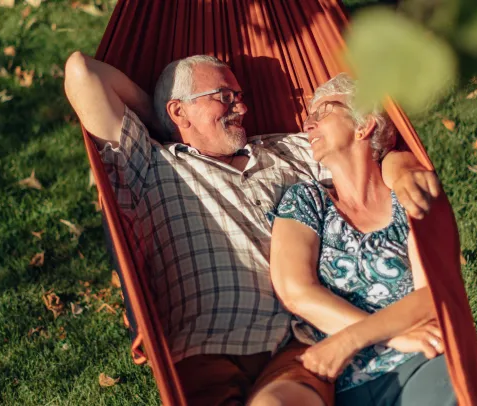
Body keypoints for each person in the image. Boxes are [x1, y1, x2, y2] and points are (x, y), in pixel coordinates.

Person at [64, 53, 441, 406]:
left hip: (299, 343)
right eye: (224, 97)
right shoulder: (148, 165)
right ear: (179, 109)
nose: (241, 107)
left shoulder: (287, 151)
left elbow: (365, 149)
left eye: (240, 97)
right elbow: (82, 72)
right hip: (207, 350)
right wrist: (165, 121)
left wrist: (404, 171)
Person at [263, 73, 456, 406]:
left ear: (363, 124)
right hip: (336, 381)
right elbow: (296, 292)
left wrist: (351, 339)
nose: (308, 125)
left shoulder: (406, 196)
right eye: (308, 117)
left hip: (418, 362)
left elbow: (432, 295)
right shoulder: (307, 200)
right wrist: (395, 336)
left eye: (322, 112)